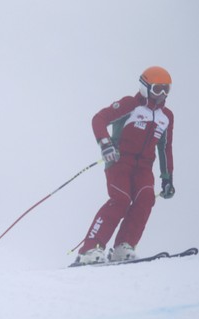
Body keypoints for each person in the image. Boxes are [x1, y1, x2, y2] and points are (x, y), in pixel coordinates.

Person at [76, 66, 176, 264]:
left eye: (166, 89)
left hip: (144, 168)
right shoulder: (130, 105)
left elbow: (165, 148)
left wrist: (167, 178)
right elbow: (99, 119)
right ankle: (90, 250)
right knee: (121, 199)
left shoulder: (167, 116)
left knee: (146, 199)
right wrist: (105, 144)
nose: (162, 95)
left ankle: (123, 246)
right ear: (145, 88)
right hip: (119, 162)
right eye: (157, 89)